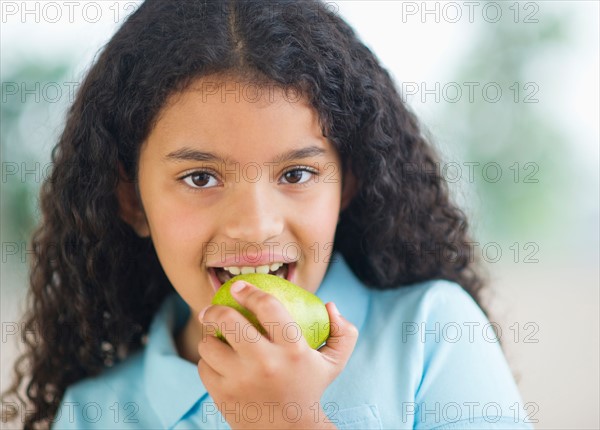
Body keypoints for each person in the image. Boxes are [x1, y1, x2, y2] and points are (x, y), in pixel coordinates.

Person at [1, 1, 534, 429]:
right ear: (132, 201)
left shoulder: (431, 334)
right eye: (200, 178)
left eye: (296, 175)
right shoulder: (94, 414)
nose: (255, 226)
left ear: (348, 182)